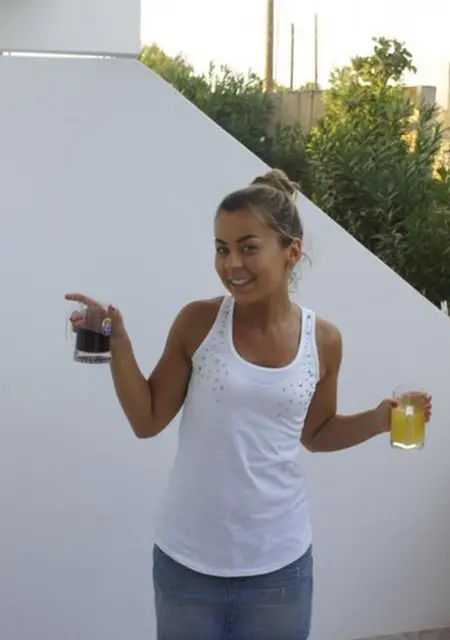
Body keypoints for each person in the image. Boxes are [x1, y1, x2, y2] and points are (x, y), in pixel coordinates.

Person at [65, 169, 432, 640]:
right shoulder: (198, 322)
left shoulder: (323, 340)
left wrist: (379, 419)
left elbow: (317, 434)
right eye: (222, 248)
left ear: (291, 252)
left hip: (279, 567)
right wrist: (118, 341)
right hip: (188, 562)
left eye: (248, 247)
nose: (231, 263)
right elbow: (147, 419)